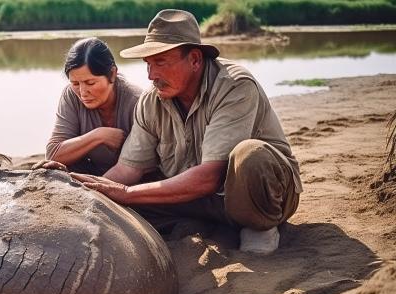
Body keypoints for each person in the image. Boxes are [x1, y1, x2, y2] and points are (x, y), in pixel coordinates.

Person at [69, 10, 303, 255]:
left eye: (160, 62)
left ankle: (259, 226)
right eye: (148, 64)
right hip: (198, 200)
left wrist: (127, 193)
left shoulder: (235, 86)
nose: (151, 75)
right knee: (130, 194)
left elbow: (210, 176)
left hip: (257, 196)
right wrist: (91, 195)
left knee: (250, 155)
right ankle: (207, 223)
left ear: (194, 59)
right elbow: (129, 168)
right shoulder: (151, 101)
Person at [44, 37, 142, 176]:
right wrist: (98, 135)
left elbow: (137, 166)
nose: (83, 93)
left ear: (112, 74)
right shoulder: (71, 95)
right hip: (93, 172)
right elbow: (53, 153)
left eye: (90, 83)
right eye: (75, 84)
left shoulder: (137, 102)